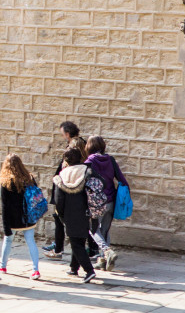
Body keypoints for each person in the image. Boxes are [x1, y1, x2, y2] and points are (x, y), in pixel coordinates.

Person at [83, 135, 129, 271]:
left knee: (93, 229)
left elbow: (85, 181)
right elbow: (122, 179)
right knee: (105, 230)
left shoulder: (89, 162)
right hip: (111, 200)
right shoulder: (111, 160)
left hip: (96, 202)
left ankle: (107, 251)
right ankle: (103, 261)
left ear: (89, 147)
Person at [0, 154, 41, 280]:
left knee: (8, 240)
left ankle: (3, 266)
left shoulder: (6, 182)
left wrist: (6, 226)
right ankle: (35, 270)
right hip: (28, 218)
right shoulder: (29, 178)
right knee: (31, 241)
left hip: (13, 219)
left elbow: (5, 206)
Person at [53, 148, 97, 284]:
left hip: (70, 213)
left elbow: (59, 200)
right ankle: (73, 267)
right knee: (79, 240)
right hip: (85, 211)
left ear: (66, 160)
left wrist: (60, 215)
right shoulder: (87, 171)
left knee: (76, 243)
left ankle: (89, 271)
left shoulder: (62, 175)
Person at [44, 121, 86, 259]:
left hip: (68, 186)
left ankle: (58, 249)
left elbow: (68, 166)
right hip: (74, 185)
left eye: (63, 134)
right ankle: (61, 246)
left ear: (67, 133)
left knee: (59, 217)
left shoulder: (75, 144)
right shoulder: (81, 142)